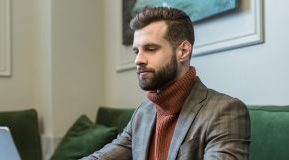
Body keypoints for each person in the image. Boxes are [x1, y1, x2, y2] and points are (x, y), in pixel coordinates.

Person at [81, 7, 250, 160]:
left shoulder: (224, 111)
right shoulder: (143, 112)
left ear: (183, 51)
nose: (138, 60)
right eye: (136, 51)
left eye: (150, 49)